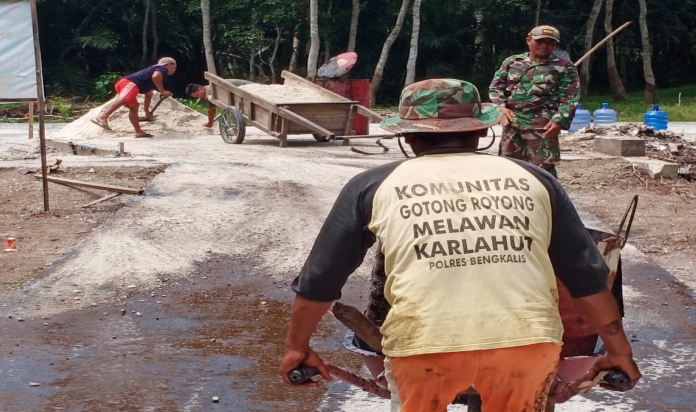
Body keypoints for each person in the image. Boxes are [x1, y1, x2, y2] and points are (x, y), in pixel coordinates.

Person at [278, 79, 640, 412]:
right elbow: (586, 278)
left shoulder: (371, 185)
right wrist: (619, 351)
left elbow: (320, 280)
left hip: (423, 346)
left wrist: (297, 347)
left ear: (407, 136)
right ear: (481, 131)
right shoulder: (534, 178)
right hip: (526, 344)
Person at [488, 25, 580, 178]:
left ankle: (548, 193)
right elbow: (496, 87)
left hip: (543, 125)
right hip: (512, 123)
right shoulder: (512, 62)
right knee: (509, 165)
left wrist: (559, 121)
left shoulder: (564, 66)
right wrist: (501, 107)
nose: (544, 46)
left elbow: (570, 97)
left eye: (550, 42)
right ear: (528, 40)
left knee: (543, 168)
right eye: (540, 41)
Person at [91, 57, 177, 138]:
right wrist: (163, 91)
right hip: (129, 83)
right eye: (175, 67)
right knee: (124, 99)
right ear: (169, 64)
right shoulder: (162, 68)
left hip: (129, 84)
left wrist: (147, 111)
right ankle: (103, 116)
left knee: (134, 107)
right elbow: (156, 76)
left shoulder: (148, 80)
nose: (175, 69)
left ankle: (138, 132)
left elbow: (148, 95)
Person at [186, 79, 252, 128]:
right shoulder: (210, 88)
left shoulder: (210, 92)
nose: (199, 97)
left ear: (200, 89)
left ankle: (236, 128)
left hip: (249, 88)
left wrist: (210, 123)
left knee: (233, 111)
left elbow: (211, 110)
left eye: (197, 95)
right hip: (246, 89)